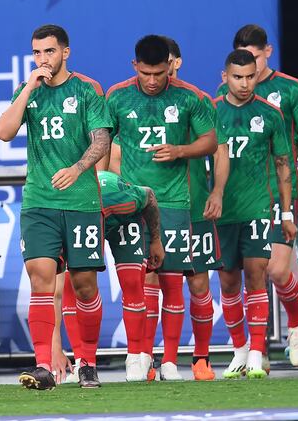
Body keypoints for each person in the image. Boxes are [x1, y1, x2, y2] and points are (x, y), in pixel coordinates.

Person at [0, 24, 111, 390]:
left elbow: (102, 141)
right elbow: (3, 132)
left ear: (66, 52)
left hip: (80, 202)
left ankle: (88, 362)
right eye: (36, 53)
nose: (43, 59)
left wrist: (77, 169)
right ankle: (44, 364)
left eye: (49, 51)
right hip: (39, 202)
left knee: (84, 286)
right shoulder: (28, 91)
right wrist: (29, 86)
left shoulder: (86, 89)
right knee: (42, 282)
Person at [106, 35, 216, 381]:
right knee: (140, 282)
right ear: (134, 66)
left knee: (171, 280)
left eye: (159, 73)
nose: (153, 81)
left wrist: (180, 151)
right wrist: (105, 187)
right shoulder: (117, 96)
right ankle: (140, 356)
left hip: (174, 202)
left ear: (170, 66)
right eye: (146, 73)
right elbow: (101, 141)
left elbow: (211, 140)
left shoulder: (190, 97)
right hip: (132, 203)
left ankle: (170, 360)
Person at [218, 24, 298, 366]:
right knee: (236, 278)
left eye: (256, 60)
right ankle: (245, 351)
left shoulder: (289, 91)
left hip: (276, 194)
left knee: (274, 270)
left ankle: (295, 326)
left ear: (268, 53)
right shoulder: (219, 100)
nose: (250, 74)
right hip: (234, 202)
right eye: (241, 72)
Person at [210, 49, 297, 379]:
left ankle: (259, 353)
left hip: (258, 206)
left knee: (256, 273)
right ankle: (240, 351)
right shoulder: (210, 112)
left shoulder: (271, 114)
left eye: (250, 77)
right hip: (222, 211)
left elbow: (283, 165)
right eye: (238, 77)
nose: (245, 84)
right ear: (225, 77)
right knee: (228, 281)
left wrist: (286, 213)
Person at [55, 170, 165, 382]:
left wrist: (155, 240)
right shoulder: (64, 208)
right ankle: (81, 362)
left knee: (132, 281)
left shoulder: (123, 199)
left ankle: (134, 358)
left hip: (123, 219)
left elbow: (149, 196)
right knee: (72, 283)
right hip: (83, 216)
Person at [165, 37, 221, 381]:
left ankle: (201, 358)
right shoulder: (139, 101)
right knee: (158, 282)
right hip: (161, 209)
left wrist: (216, 191)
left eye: (168, 61)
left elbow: (219, 147)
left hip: (196, 206)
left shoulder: (195, 99)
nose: (162, 70)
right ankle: (162, 359)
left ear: (178, 62)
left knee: (199, 283)